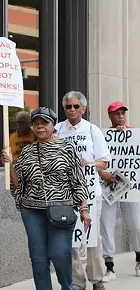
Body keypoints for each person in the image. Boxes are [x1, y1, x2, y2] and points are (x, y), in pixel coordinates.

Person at [2, 107, 90, 290]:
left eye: (44, 123)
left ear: (53, 125)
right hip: (32, 210)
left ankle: (68, 287)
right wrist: (9, 164)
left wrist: (84, 208)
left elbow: (78, 180)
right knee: (38, 258)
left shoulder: (66, 147)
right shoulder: (26, 152)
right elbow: (19, 185)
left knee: (59, 253)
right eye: (36, 123)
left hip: (61, 209)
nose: (40, 127)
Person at [55, 91, 110, 290]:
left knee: (92, 237)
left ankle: (97, 279)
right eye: (68, 106)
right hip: (65, 193)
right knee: (70, 238)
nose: (72, 110)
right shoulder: (57, 129)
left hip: (90, 192)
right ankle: (77, 281)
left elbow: (104, 163)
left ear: (83, 109)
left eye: (76, 106)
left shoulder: (92, 130)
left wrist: (89, 165)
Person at [99, 101, 140, 281]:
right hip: (109, 186)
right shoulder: (103, 136)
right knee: (106, 226)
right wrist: (103, 173)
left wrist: (127, 136)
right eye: (117, 113)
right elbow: (98, 159)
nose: (121, 116)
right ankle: (110, 267)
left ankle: (139, 257)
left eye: (123, 113)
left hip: (130, 187)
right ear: (110, 116)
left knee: (136, 225)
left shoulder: (135, 135)